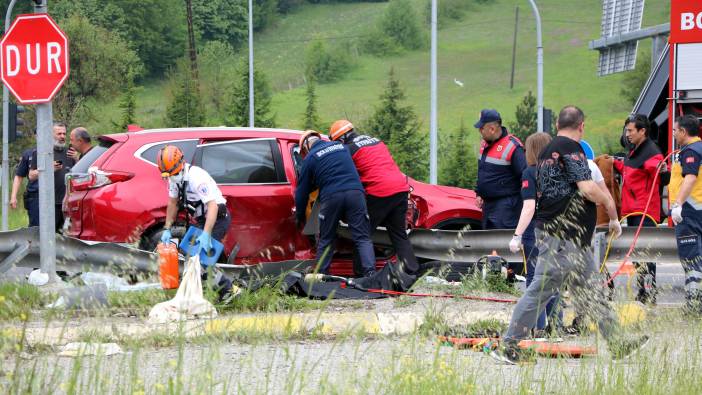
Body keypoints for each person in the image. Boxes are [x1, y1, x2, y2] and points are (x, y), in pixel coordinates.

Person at [492, 106, 648, 364]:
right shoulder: (570, 149)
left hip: (570, 238)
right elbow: (587, 188)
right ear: (582, 126)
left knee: (590, 292)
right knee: (540, 290)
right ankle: (508, 346)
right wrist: (610, 208)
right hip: (562, 238)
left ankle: (618, 344)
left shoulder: (546, 152)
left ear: (557, 126)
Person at [329, 119, 419, 276]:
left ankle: (362, 275)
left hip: (379, 192)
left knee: (362, 234)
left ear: (342, 138)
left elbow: (347, 175)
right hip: (400, 189)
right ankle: (412, 271)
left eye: (337, 142)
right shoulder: (376, 141)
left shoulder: (349, 149)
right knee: (398, 234)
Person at [294, 130, 376, 277]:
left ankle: (321, 275)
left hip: (332, 197)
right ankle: (370, 274)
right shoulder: (341, 147)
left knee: (326, 238)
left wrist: (299, 215)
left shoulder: (311, 158)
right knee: (362, 237)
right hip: (355, 194)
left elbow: (301, 192)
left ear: (306, 147)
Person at [157, 145, 234, 296]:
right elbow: (172, 203)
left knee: (201, 260)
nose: (171, 177)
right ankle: (200, 291)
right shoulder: (174, 178)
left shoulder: (197, 177)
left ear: (181, 163)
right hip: (201, 218)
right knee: (189, 255)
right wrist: (167, 228)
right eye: (168, 175)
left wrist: (206, 234)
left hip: (217, 218)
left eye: (173, 173)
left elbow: (212, 206)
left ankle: (229, 291)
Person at [509, 132, 561, 336]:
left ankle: (538, 327)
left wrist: (516, 235)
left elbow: (529, 207)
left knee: (535, 280)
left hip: (537, 231)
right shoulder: (560, 171)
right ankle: (555, 326)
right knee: (554, 280)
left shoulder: (531, 173)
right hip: (559, 231)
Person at [612, 115, 665, 304]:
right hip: (633, 211)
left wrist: (662, 167)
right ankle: (644, 291)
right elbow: (630, 169)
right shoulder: (634, 151)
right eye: (626, 131)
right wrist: (614, 162)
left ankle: (648, 293)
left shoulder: (651, 152)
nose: (627, 135)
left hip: (644, 212)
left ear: (642, 131)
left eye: (630, 131)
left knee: (645, 255)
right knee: (636, 255)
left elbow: (657, 167)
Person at [10, 122, 75, 230]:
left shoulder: (70, 153)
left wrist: (77, 158)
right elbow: (23, 176)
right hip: (40, 199)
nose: (62, 136)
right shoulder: (37, 153)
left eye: (64, 134)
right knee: (39, 231)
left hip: (65, 202)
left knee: (65, 235)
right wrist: (13, 197)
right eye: (59, 134)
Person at [669, 114, 702, 315]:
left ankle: (694, 306)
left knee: (691, 259)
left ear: (683, 131)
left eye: (674, 130)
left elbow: (690, 178)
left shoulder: (691, 151)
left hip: (690, 213)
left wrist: (678, 205)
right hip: (697, 210)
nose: (673, 133)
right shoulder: (698, 148)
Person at [474, 109, 527, 231]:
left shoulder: (513, 146)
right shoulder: (485, 144)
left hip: (506, 208)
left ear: (492, 129)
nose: (479, 131)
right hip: (488, 206)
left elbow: (524, 176)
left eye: (482, 128)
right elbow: (483, 171)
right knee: (489, 245)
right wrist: (479, 193)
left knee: (501, 245)